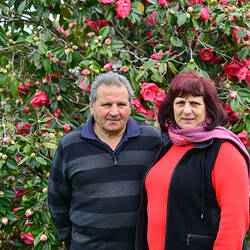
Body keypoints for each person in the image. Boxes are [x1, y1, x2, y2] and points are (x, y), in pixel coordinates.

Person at [135, 70, 249, 250]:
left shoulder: (224, 150)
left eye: (195, 103)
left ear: (208, 108)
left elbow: (235, 220)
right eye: (180, 103)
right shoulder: (166, 145)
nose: (186, 110)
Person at [48, 71, 162, 250]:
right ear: (92, 106)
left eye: (121, 104)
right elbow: (57, 200)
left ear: (130, 106)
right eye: (106, 105)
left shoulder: (152, 140)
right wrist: (70, 239)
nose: (114, 112)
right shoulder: (70, 145)